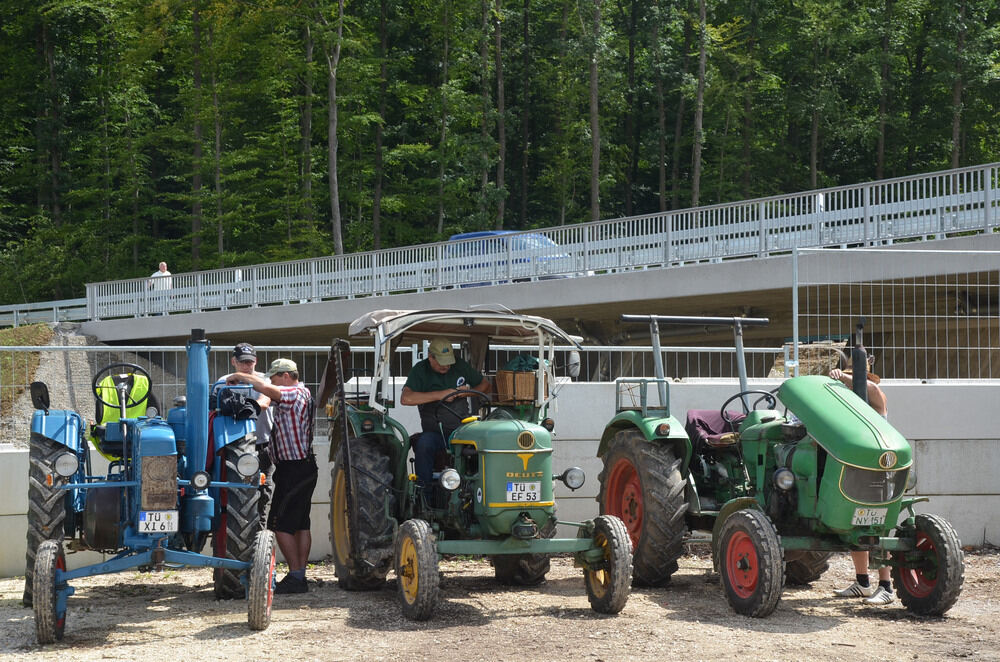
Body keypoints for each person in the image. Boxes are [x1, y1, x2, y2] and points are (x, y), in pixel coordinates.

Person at [224, 358, 315, 595]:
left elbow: (266, 389)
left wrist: (242, 377)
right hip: (304, 467)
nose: (271, 382)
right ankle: (300, 573)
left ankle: (296, 577)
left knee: (279, 524)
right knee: (301, 524)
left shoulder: (292, 393)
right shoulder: (305, 392)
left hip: (292, 469)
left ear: (286, 376)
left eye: (274, 378)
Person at [829, 358, 894, 606]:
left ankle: (886, 586)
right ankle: (862, 582)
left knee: (876, 528)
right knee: (855, 525)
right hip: (855, 469)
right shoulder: (848, 410)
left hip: (878, 470)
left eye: (852, 381)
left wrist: (844, 377)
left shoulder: (875, 400)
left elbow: (874, 390)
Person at [400, 338, 491, 499]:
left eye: (449, 362)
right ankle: (425, 496)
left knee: (485, 445)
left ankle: (482, 494)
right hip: (436, 433)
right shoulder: (420, 370)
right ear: (430, 357)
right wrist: (440, 395)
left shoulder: (460, 366)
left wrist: (465, 393)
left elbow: (484, 385)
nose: (446, 366)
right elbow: (406, 398)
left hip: (462, 430)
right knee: (424, 444)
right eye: (442, 363)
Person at [212, 343, 274, 528]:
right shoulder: (223, 383)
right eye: (243, 362)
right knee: (228, 494)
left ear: (256, 361)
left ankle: (259, 537)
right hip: (231, 447)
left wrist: (247, 406)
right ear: (234, 361)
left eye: (250, 362)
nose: (247, 366)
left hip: (261, 444)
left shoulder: (264, 381)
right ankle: (222, 540)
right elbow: (213, 411)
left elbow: (265, 401)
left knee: (262, 494)